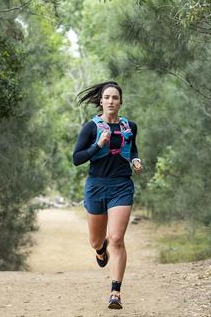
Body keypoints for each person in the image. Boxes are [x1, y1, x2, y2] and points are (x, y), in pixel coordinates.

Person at [73, 81, 143, 310]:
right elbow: (77, 158)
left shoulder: (129, 126)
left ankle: (115, 292)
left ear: (121, 101)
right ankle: (100, 250)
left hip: (121, 186)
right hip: (96, 186)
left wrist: (135, 159)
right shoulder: (91, 127)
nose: (111, 101)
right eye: (107, 98)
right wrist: (97, 145)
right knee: (96, 241)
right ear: (101, 101)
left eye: (115, 98)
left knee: (117, 238)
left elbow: (131, 148)